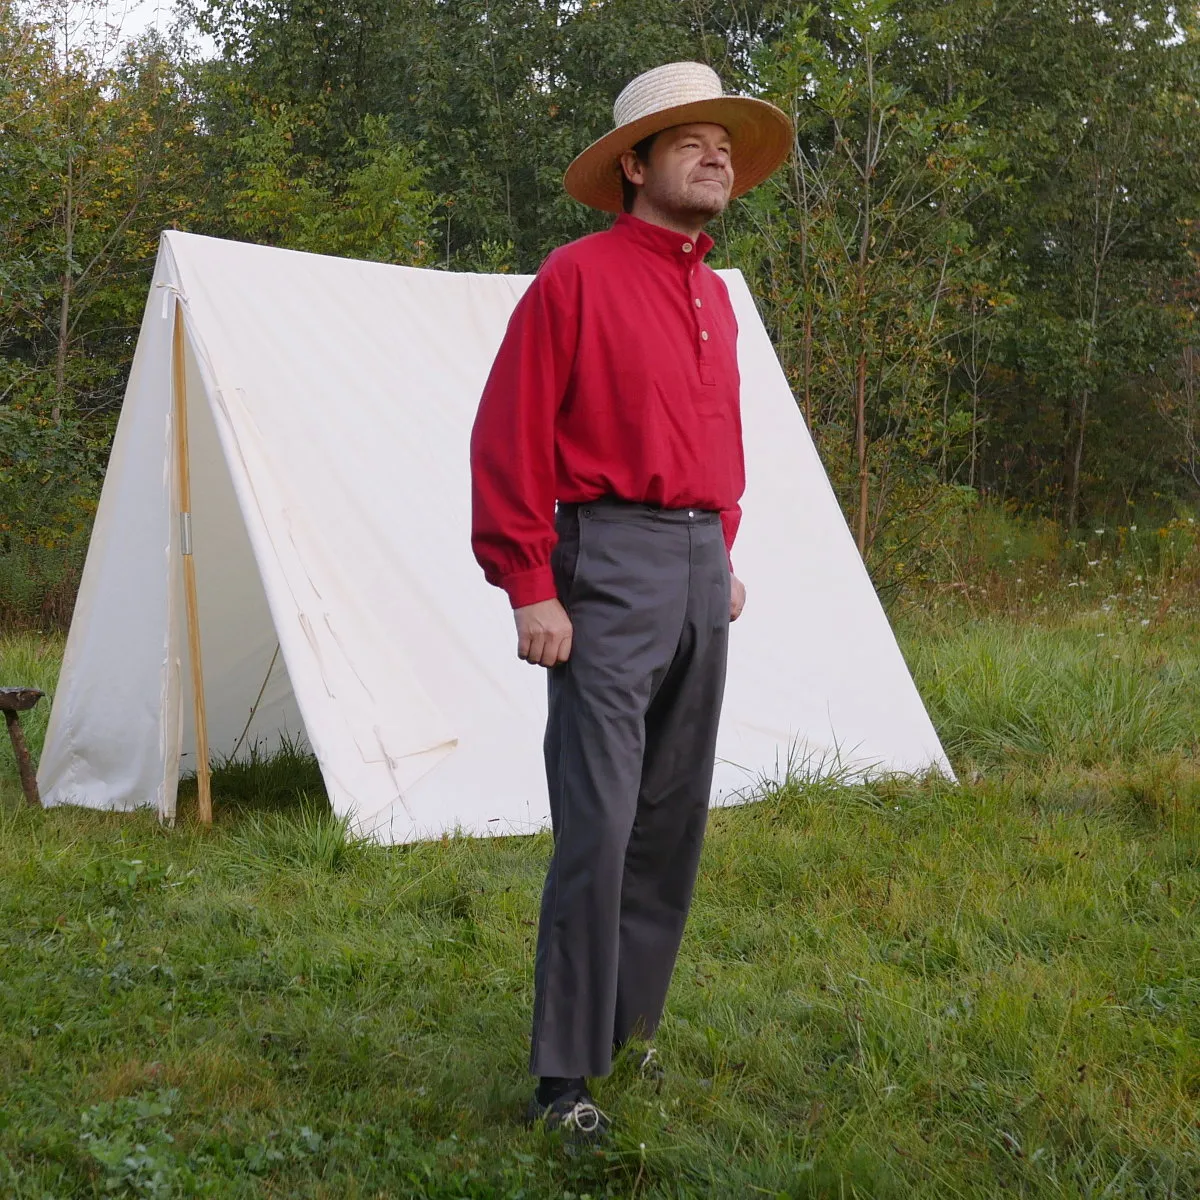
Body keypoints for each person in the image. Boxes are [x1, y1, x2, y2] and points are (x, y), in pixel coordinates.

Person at [469, 60, 792, 1138]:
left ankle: (622, 1035)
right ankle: (563, 1076)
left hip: (702, 569)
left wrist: (723, 550)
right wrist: (528, 582)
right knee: (600, 827)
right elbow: (508, 433)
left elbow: (720, 443)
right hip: (602, 563)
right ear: (636, 164)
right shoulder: (575, 277)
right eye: (692, 139)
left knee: (668, 824)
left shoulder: (716, 297)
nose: (718, 156)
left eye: (727, 145)